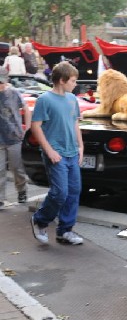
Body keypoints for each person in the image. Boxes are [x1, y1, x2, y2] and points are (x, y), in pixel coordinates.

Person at [30, 61, 84, 245]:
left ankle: (65, 231)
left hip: (72, 152)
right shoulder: (44, 99)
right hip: (56, 153)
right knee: (60, 192)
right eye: (73, 80)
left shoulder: (72, 99)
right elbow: (35, 126)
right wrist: (49, 151)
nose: (75, 84)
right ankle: (40, 220)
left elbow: (75, 123)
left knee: (74, 191)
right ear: (62, 80)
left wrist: (81, 146)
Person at [0, 67, 31, 209]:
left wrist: (28, 128)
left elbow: (26, 108)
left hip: (14, 136)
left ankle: (22, 191)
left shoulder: (13, 93)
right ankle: (0, 198)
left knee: (16, 168)